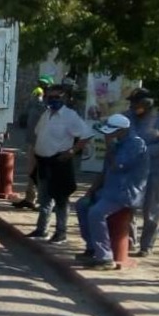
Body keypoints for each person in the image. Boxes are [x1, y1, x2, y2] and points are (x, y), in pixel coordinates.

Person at [74, 114, 149, 270]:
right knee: (82, 205)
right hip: (109, 190)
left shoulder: (136, 144)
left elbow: (117, 166)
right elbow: (105, 171)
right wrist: (91, 191)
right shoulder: (117, 144)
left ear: (122, 130)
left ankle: (105, 257)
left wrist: (109, 145)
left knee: (96, 213)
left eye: (111, 132)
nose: (107, 135)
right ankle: (92, 247)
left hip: (125, 193)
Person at [26, 85, 91, 243]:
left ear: (65, 98)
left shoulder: (70, 116)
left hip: (59, 162)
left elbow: (87, 134)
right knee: (44, 198)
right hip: (43, 162)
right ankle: (42, 229)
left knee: (61, 199)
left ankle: (61, 232)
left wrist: (72, 151)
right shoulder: (46, 113)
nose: (53, 100)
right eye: (50, 97)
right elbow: (38, 135)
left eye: (57, 97)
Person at [124, 88, 159, 256]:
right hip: (131, 170)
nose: (132, 106)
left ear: (147, 104)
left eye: (136, 103)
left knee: (151, 209)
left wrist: (148, 150)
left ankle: (147, 246)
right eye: (132, 103)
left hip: (153, 170)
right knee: (128, 206)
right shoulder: (126, 117)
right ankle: (129, 241)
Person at [13, 77, 53, 210]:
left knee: (41, 173)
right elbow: (27, 114)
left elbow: (46, 113)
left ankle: (43, 201)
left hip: (44, 143)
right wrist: (34, 99)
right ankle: (30, 198)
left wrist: (39, 99)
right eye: (40, 83)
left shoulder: (50, 103)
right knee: (31, 171)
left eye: (44, 85)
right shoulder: (36, 100)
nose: (40, 86)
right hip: (32, 141)